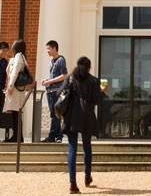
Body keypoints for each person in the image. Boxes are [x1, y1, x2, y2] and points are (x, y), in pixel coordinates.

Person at [62, 56, 107, 194]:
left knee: (72, 149)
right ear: (89, 67)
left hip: (71, 117)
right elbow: (96, 100)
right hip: (87, 116)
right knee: (87, 146)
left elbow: (60, 94)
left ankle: (72, 183)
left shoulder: (70, 79)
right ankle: (87, 176)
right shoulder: (93, 81)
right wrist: (103, 92)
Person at [3, 39, 33, 142]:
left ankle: (17, 136)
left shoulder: (19, 57)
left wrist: (10, 87)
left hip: (15, 89)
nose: (11, 47)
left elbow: (15, 72)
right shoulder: (19, 57)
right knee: (16, 113)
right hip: (17, 89)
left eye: (13, 45)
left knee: (16, 113)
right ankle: (17, 135)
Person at [40, 39, 68, 143]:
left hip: (56, 91)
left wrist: (50, 81)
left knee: (55, 114)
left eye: (48, 49)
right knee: (55, 114)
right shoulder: (52, 61)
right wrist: (47, 80)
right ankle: (58, 136)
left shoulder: (60, 60)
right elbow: (55, 76)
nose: (47, 51)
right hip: (51, 90)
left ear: (54, 48)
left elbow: (64, 75)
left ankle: (53, 136)